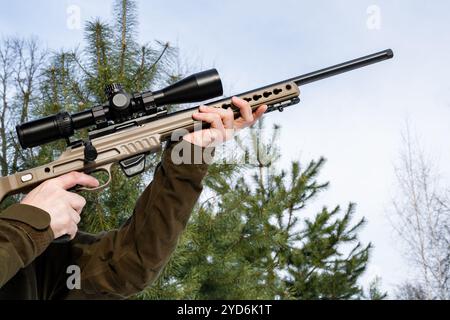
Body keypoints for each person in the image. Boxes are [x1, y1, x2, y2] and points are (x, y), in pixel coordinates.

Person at [0, 97, 267, 299]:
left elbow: (129, 264)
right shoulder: (22, 234)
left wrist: (190, 153)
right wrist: (27, 226)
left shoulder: (36, 260)